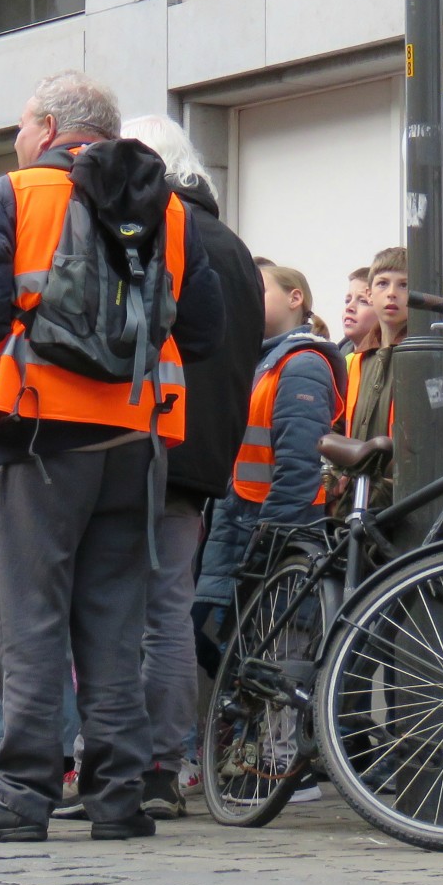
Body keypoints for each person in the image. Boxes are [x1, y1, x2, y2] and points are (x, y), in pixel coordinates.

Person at [0, 70, 222, 843]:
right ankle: (117, 795)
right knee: (114, 619)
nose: (18, 140)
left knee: (28, 615)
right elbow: (203, 330)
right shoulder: (170, 209)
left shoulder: (14, 195)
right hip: (134, 440)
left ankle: (24, 790)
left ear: (51, 127)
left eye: (23, 126)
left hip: (35, 432)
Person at [123, 115, 262, 820]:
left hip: (139, 434)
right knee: (169, 610)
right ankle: (162, 764)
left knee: (116, 608)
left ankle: (120, 762)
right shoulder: (235, 248)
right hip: (205, 455)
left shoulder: (152, 231)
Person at [193, 264, 343, 802]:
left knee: (280, 649)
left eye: (258, 290)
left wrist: (278, 528)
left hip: (275, 528)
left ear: (296, 297)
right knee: (246, 644)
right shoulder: (261, 362)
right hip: (244, 523)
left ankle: (285, 768)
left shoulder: (301, 365)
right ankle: (260, 755)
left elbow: (300, 456)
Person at [344, 246, 410, 507]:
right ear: (370, 294)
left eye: (404, 285)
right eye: (383, 283)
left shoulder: (431, 357)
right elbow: (338, 426)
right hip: (354, 497)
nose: (392, 293)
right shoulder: (355, 361)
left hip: (404, 500)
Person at [338, 268, 378, 359]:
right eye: (347, 301)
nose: (349, 308)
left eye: (363, 301)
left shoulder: (392, 358)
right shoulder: (336, 358)